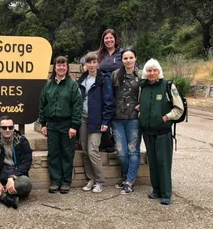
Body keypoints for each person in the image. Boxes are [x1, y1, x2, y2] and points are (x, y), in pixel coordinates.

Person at [139, 58, 184, 205]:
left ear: (159, 71)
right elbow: (141, 104)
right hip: (148, 131)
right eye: (149, 70)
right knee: (152, 162)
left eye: (154, 70)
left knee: (163, 162)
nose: (152, 73)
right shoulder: (143, 87)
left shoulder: (167, 86)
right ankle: (156, 189)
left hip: (163, 132)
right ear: (146, 72)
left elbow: (179, 108)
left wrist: (166, 117)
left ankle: (166, 193)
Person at [39, 56, 82, 194]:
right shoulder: (48, 86)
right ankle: (55, 181)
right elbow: (42, 105)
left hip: (67, 124)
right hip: (52, 125)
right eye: (59, 65)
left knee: (67, 154)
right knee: (53, 154)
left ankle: (65, 182)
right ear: (55, 68)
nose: (61, 67)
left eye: (64, 65)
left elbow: (77, 107)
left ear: (67, 68)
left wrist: (74, 126)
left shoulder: (72, 85)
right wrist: (43, 124)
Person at [77, 52, 114, 193]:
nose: (91, 65)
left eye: (94, 62)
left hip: (96, 120)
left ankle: (101, 181)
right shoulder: (82, 79)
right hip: (83, 119)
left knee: (93, 151)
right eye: (89, 62)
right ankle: (91, 179)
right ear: (85, 64)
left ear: (97, 63)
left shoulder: (104, 79)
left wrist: (106, 120)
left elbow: (109, 101)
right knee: (85, 151)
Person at [111, 49, 141, 194]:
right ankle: (126, 177)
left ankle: (129, 181)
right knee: (121, 152)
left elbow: (147, 94)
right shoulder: (116, 75)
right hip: (117, 119)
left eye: (131, 57)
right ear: (121, 60)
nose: (128, 60)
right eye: (125, 58)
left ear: (135, 59)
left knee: (133, 151)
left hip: (133, 119)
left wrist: (143, 105)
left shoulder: (141, 76)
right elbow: (110, 95)